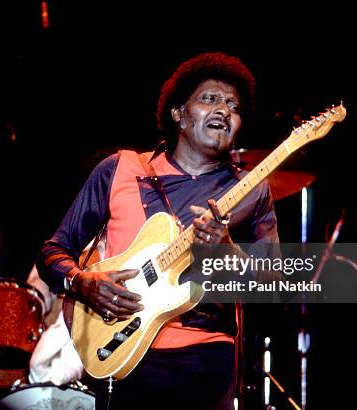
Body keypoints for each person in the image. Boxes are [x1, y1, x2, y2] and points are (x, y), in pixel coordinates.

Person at [36, 52, 281, 409]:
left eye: (234, 105)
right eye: (210, 99)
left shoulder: (250, 189)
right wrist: (83, 283)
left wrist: (226, 249)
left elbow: (274, 287)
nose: (224, 110)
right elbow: (52, 252)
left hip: (208, 360)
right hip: (122, 353)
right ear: (178, 115)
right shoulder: (119, 168)